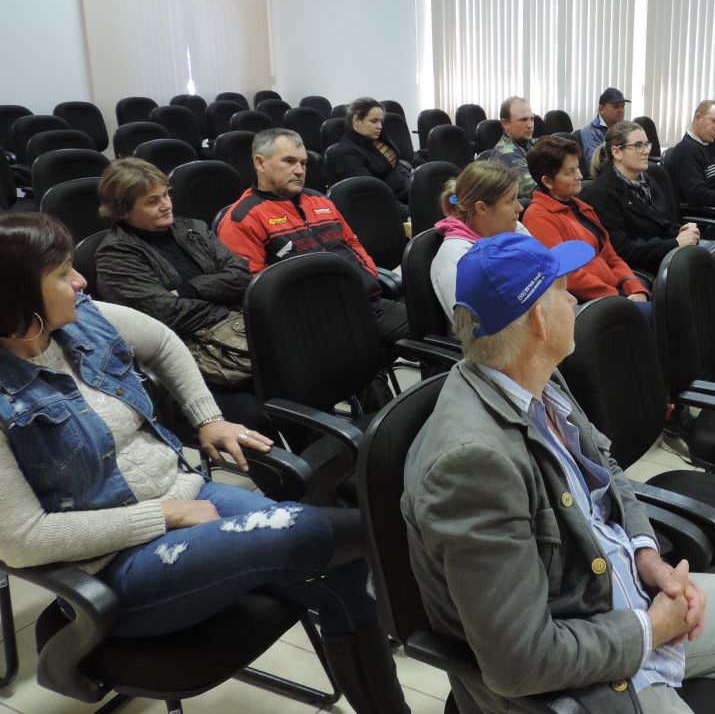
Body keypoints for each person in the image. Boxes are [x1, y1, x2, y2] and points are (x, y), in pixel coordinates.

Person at [0, 211, 410, 714]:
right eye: (63, 273)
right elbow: (21, 540)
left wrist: (208, 417)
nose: (81, 281)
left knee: (343, 578)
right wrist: (164, 515)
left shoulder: (84, 318)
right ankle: (408, 525)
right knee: (303, 531)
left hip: (186, 496)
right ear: (17, 294)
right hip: (112, 566)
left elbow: (163, 342)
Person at [402, 232, 715, 713]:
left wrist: (647, 554)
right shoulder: (472, 465)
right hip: (585, 667)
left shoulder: (539, 379)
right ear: (538, 319)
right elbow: (518, 663)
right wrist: (652, 630)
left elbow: (608, 472)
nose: (574, 301)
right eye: (563, 291)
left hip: (624, 593)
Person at [94, 158, 269, 433]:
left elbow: (241, 276)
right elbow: (164, 315)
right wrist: (222, 301)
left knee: (295, 377)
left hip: (234, 336)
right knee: (256, 414)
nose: (166, 205)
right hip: (185, 358)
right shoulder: (115, 255)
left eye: (166, 195)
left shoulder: (193, 228)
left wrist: (189, 291)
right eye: (152, 201)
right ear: (123, 210)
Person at [216, 128, 408, 353]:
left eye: (304, 163)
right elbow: (255, 290)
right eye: (289, 161)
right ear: (260, 163)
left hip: (364, 303)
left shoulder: (320, 201)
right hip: (311, 324)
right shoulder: (242, 218)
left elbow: (352, 243)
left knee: (433, 329)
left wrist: (368, 278)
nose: (299, 170)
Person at [521, 134, 650, 305]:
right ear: (548, 181)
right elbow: (568, 277)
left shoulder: (581, 207)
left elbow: (611, 257)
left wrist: (634, 286)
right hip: (589, 303)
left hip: (612, 294)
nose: (580, 175)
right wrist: (618, 297)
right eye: (571, 172)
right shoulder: (538, 217)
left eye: (577, 168)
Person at [584, 120, 712, 273]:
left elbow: (663, 223)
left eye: (646, 145)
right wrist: (675, 243)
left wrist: (681, 230)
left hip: (665, 257)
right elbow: (623, 251)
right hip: (642, 269)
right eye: (638, 145)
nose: (646, 151)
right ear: (617, 152)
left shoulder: (648, 181)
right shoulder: (599, 193)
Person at [430, 160, 532, 317]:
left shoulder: (514, 228)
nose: (520, 207)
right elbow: (477, 328)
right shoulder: (455, 260)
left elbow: (545, 273)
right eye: (510, 200)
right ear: (482, 208)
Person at [325, 96, 413, 208]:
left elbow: (395, 166)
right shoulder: (346, 153)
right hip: (386, 207)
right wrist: (410, 213)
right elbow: (373, 194)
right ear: (356, 120)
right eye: (374, 121)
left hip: (404, 194)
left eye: (381, 121)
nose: (379, 126)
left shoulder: (377, 139)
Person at [492, 96, 537, 197]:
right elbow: (535, 192)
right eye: (523, 120)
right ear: (505, 124)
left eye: (532, 119)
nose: (530, 125)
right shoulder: (505, 153)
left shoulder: (532, 143)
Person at [579, 86, 630, 167]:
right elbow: (595, 165)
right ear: (601, 109)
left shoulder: (626, 129)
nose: (621, 110)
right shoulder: (590, 131)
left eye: (623, 106)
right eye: (616, 106)